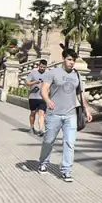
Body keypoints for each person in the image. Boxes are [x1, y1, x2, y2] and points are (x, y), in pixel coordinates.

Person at [36, 50, 94, 182]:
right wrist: (47, 100)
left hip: (70, 115)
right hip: (54, 114)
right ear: (63, 58)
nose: (71, 62)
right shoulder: (53, 73)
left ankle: (66, 171)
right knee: (48, 141)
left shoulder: (77, 75)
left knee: (69, 143)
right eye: (69, 59)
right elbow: (44, 89)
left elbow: (80, 94)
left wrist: (87, 109)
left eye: (73, 60)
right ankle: (43, 162)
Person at [25, 59, 48, 135]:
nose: (42, 68)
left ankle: (40, 129)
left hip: (43, 97)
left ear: (46, 67)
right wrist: (35, 82)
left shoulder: (48, 75)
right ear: (38, 65)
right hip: (33, 97)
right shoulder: (33, 73)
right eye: (41, 67)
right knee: (33, 113)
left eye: (44, 67)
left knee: (42, 113)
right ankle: (32, 127)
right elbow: (27, 83)